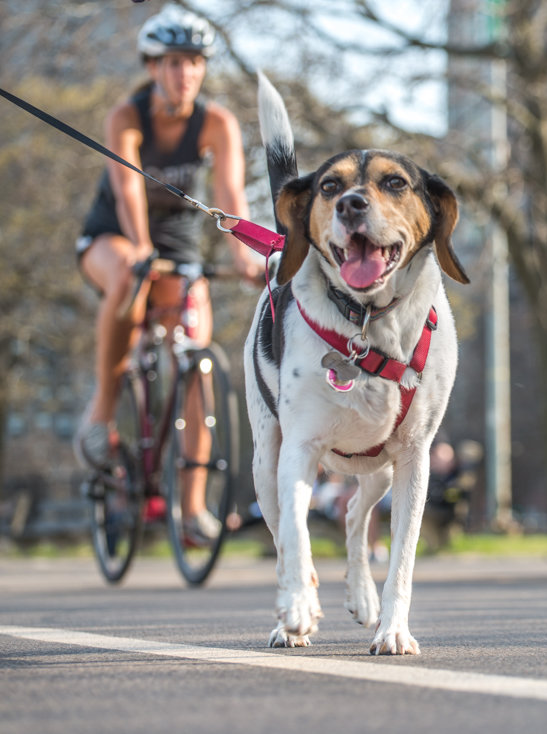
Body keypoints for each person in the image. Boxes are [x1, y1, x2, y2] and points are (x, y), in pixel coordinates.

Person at [73, 8, 263, 544]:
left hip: (179, 242)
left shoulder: (217, 122)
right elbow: (129, 187)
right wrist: (138, 245)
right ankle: (103, 414)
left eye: (195, 64)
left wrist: (246, 252)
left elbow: (229, 198)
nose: (186, 74)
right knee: (129, 283)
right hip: (114, 234)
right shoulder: (127, 116)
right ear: (153, 67)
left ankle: (192, 509)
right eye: (175, 63)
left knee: (197, 363)